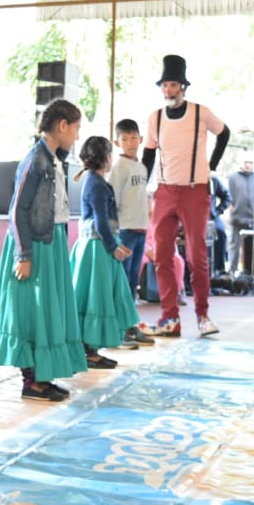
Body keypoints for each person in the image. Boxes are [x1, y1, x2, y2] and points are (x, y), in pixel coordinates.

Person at [0, 98, 88, 401]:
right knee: (33, 312)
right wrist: (24, 255)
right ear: (62, 126)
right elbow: (17, 210)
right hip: (35, 246)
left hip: (51, 241)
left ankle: (43, 376)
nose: (77, 136)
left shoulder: (56, 159)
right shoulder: (35, 160)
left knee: (49, 312)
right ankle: (31, 380)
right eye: (76, 129)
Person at [137, 54, 230, 338]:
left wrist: (211, 166)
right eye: (165, 85)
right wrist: (139, 184)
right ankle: (170, 319)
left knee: (196, 254)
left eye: (173, 84)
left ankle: (203, 315)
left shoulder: (201, 113)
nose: (169, 90)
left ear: (183, 87)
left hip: (195, 190)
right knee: (162, 256)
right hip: (165, 191)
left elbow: (224, 134)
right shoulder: (155, 118)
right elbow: (149, 154)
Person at [71, 136, 141, 363]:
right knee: (96, 298)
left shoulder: (95, 181)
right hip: (97, 248)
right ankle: (90, 350)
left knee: (96, 297)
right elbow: (101, 222)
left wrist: (115, 244)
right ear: (105, 158)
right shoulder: (97, 183)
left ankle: (91, 348)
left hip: (98, 245)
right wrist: (113, 247)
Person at [106, 118, 156, 347]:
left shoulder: (142, 167)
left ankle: (130, 324)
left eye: (133, 137)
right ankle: (119, 329)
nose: (129, 143)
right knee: (122, 280)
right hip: (124, 230)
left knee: (133, 279)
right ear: (117, 142)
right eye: (124, 139)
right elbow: (111, 200)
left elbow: (142, 195)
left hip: (140, 229)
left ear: (141, 139)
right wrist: (113, 234)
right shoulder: (118, 168)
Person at [227, 151, 254, 274]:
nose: (248, 165)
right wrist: (231, 207)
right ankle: (232, 272)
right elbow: (227, 195)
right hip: (237, 218)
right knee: (235, 246)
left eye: (250, 162)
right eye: (246, 162)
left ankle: (252, 272)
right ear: (241, 163)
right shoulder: (232, 177)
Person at [209, 172, 232, 275]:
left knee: (220, 232)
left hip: (211, 217)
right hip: (192, 217)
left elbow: (227, 197)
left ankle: (219, 269)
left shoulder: (213, 180)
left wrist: (217, 211)